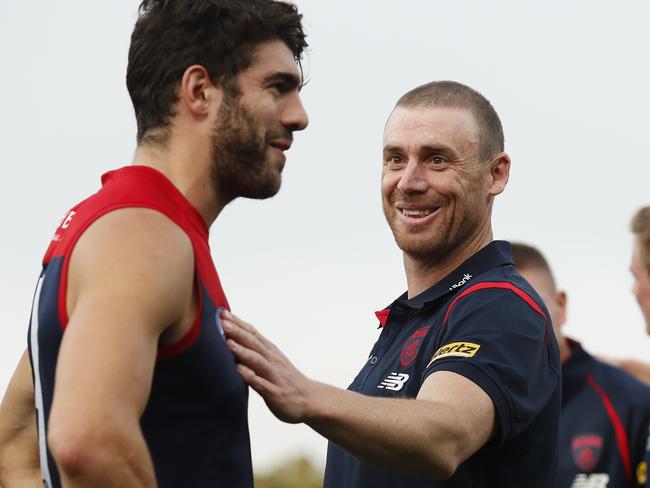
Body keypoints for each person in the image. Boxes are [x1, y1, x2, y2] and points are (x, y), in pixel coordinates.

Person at [0, 1, 308, 487]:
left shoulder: (123, 225)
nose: (299, 117)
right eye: (278, 87)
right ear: (200, 91)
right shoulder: (144, 235)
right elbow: (87, 440)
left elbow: (17, 448)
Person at [222, 81, 561, 487]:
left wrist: (306, 396)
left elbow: (444, 435)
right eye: (396, 159)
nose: (409, 182)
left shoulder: (500, 306)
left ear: (496, 174)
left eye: (437, 160)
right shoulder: (417, 315)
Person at [512, 242, 650, 487]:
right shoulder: (465, 412)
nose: (515, 325)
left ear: (561, 305)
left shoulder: (632, 405)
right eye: (497, 312)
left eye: (530, 305)